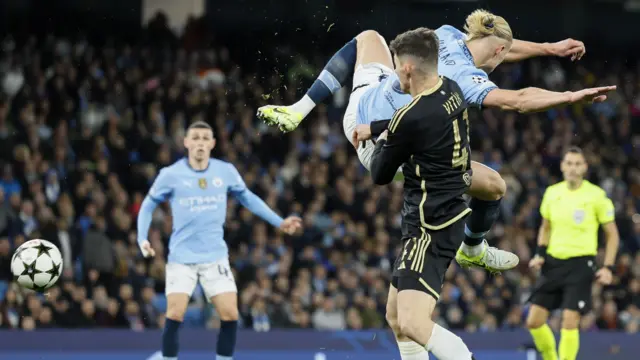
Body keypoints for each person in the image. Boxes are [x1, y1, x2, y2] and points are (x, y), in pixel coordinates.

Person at [261, 9, 604, 275]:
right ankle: (472, 249)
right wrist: (571, 97)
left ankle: (298, 109)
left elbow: (503, 48)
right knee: (494, 186)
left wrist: (548, 49)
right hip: (385, 145)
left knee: (368, 38)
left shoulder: (449, 34)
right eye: (504, 53)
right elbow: (520, 100)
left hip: (362, 106)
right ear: (499, 48)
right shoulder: (468, 81)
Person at [136, 121, 302, 360]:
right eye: (195, 138)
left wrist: (279, 222)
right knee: (175, 313)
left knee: (230, 314)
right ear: (186, 143)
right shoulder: (170, 175)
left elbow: (249, 199)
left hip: (215, 257)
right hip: (182, 258)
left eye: (205, 138)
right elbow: (147, 205)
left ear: (213, 143)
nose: (200, 142)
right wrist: (142, 238)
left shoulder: (225, 171)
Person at [371, 27, 476, 360]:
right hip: (449, 212)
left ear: (407, 69)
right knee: (395, 317)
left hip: (428, 228)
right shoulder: (452, 89)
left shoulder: (408, 118)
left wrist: (380, 136)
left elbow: (379, 174)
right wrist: (386, 129)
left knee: (413, 322)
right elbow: (419, 125)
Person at [526, 146, 620, 360]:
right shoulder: (552, 193)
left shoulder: (596, 196)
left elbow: (612, 235)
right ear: (562, 166)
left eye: (578, 164)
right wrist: (540, 253)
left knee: (569, 320)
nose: (573, 168)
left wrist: (608, 267)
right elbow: (545, 227)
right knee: (534, 321)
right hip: (553, 263)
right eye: (569, 163)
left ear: (585, 167)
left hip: (581, 264)